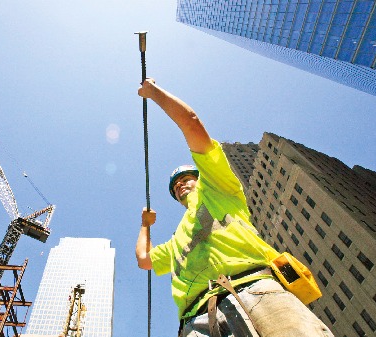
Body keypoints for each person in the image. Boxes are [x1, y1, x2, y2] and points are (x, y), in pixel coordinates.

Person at [134, 78, 333, 337]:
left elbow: (191, 123)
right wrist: (145, 226)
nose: (180, 186)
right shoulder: (176, 242)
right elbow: (144, 260)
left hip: (256, 293)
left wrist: (155, 93)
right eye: (175, 187)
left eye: (185, 180)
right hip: (197, 321)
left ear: (199, 177)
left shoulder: (218, 187)